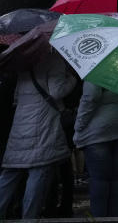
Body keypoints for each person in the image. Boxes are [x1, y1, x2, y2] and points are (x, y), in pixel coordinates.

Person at [0, 53, 77, 220]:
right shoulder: (54, 60)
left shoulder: (24, 62)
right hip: (44, 126)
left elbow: (16, 98)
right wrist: (71, 78)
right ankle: (29, 218)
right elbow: (57, 91)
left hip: (20, 128)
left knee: (10, 174)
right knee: (39, 174)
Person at [73, 80, 118, 218]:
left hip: (100, 129)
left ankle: (100, 219)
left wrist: (78, 127)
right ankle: (116, 217)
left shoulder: (97, 64)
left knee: (100, 180)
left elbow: (91, 96)